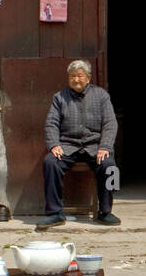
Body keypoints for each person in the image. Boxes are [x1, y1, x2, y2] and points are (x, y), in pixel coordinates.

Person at [40, 59, 121, 228]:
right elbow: (51, 123)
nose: (76, 80)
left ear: (88, 78)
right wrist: (54, 144)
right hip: (68, 146)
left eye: (80, 76)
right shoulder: (59, 97)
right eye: (72, 76)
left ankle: (105, 211)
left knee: (110, 166)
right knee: (50, 163)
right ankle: (55, 213)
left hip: (94, 147)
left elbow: (110, 123)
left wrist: (105, 146)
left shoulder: (101, 96)